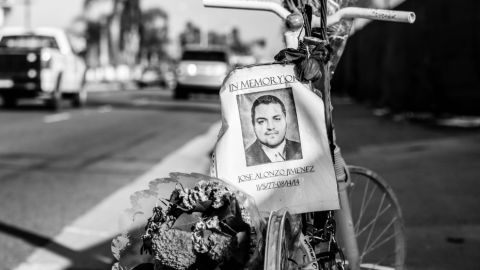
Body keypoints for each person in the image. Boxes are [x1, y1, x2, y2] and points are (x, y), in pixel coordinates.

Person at [245, 94, 302, 166]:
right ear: (253, 125)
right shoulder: (244, 158)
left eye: (277, 119)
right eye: (261, 121)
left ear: (286, 120)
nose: (270, 127)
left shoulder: (302, 149)